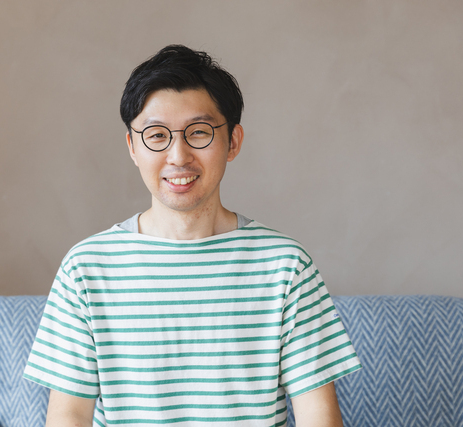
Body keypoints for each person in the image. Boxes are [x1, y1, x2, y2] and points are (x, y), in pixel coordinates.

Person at [23, 44, 362, 426]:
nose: (178, 156)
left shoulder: (286, 266)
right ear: (132, 146)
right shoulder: (86, 268)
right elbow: (68, 416)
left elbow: (319, 416)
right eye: (156, 135)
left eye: (199, 132)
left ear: (233, 141)